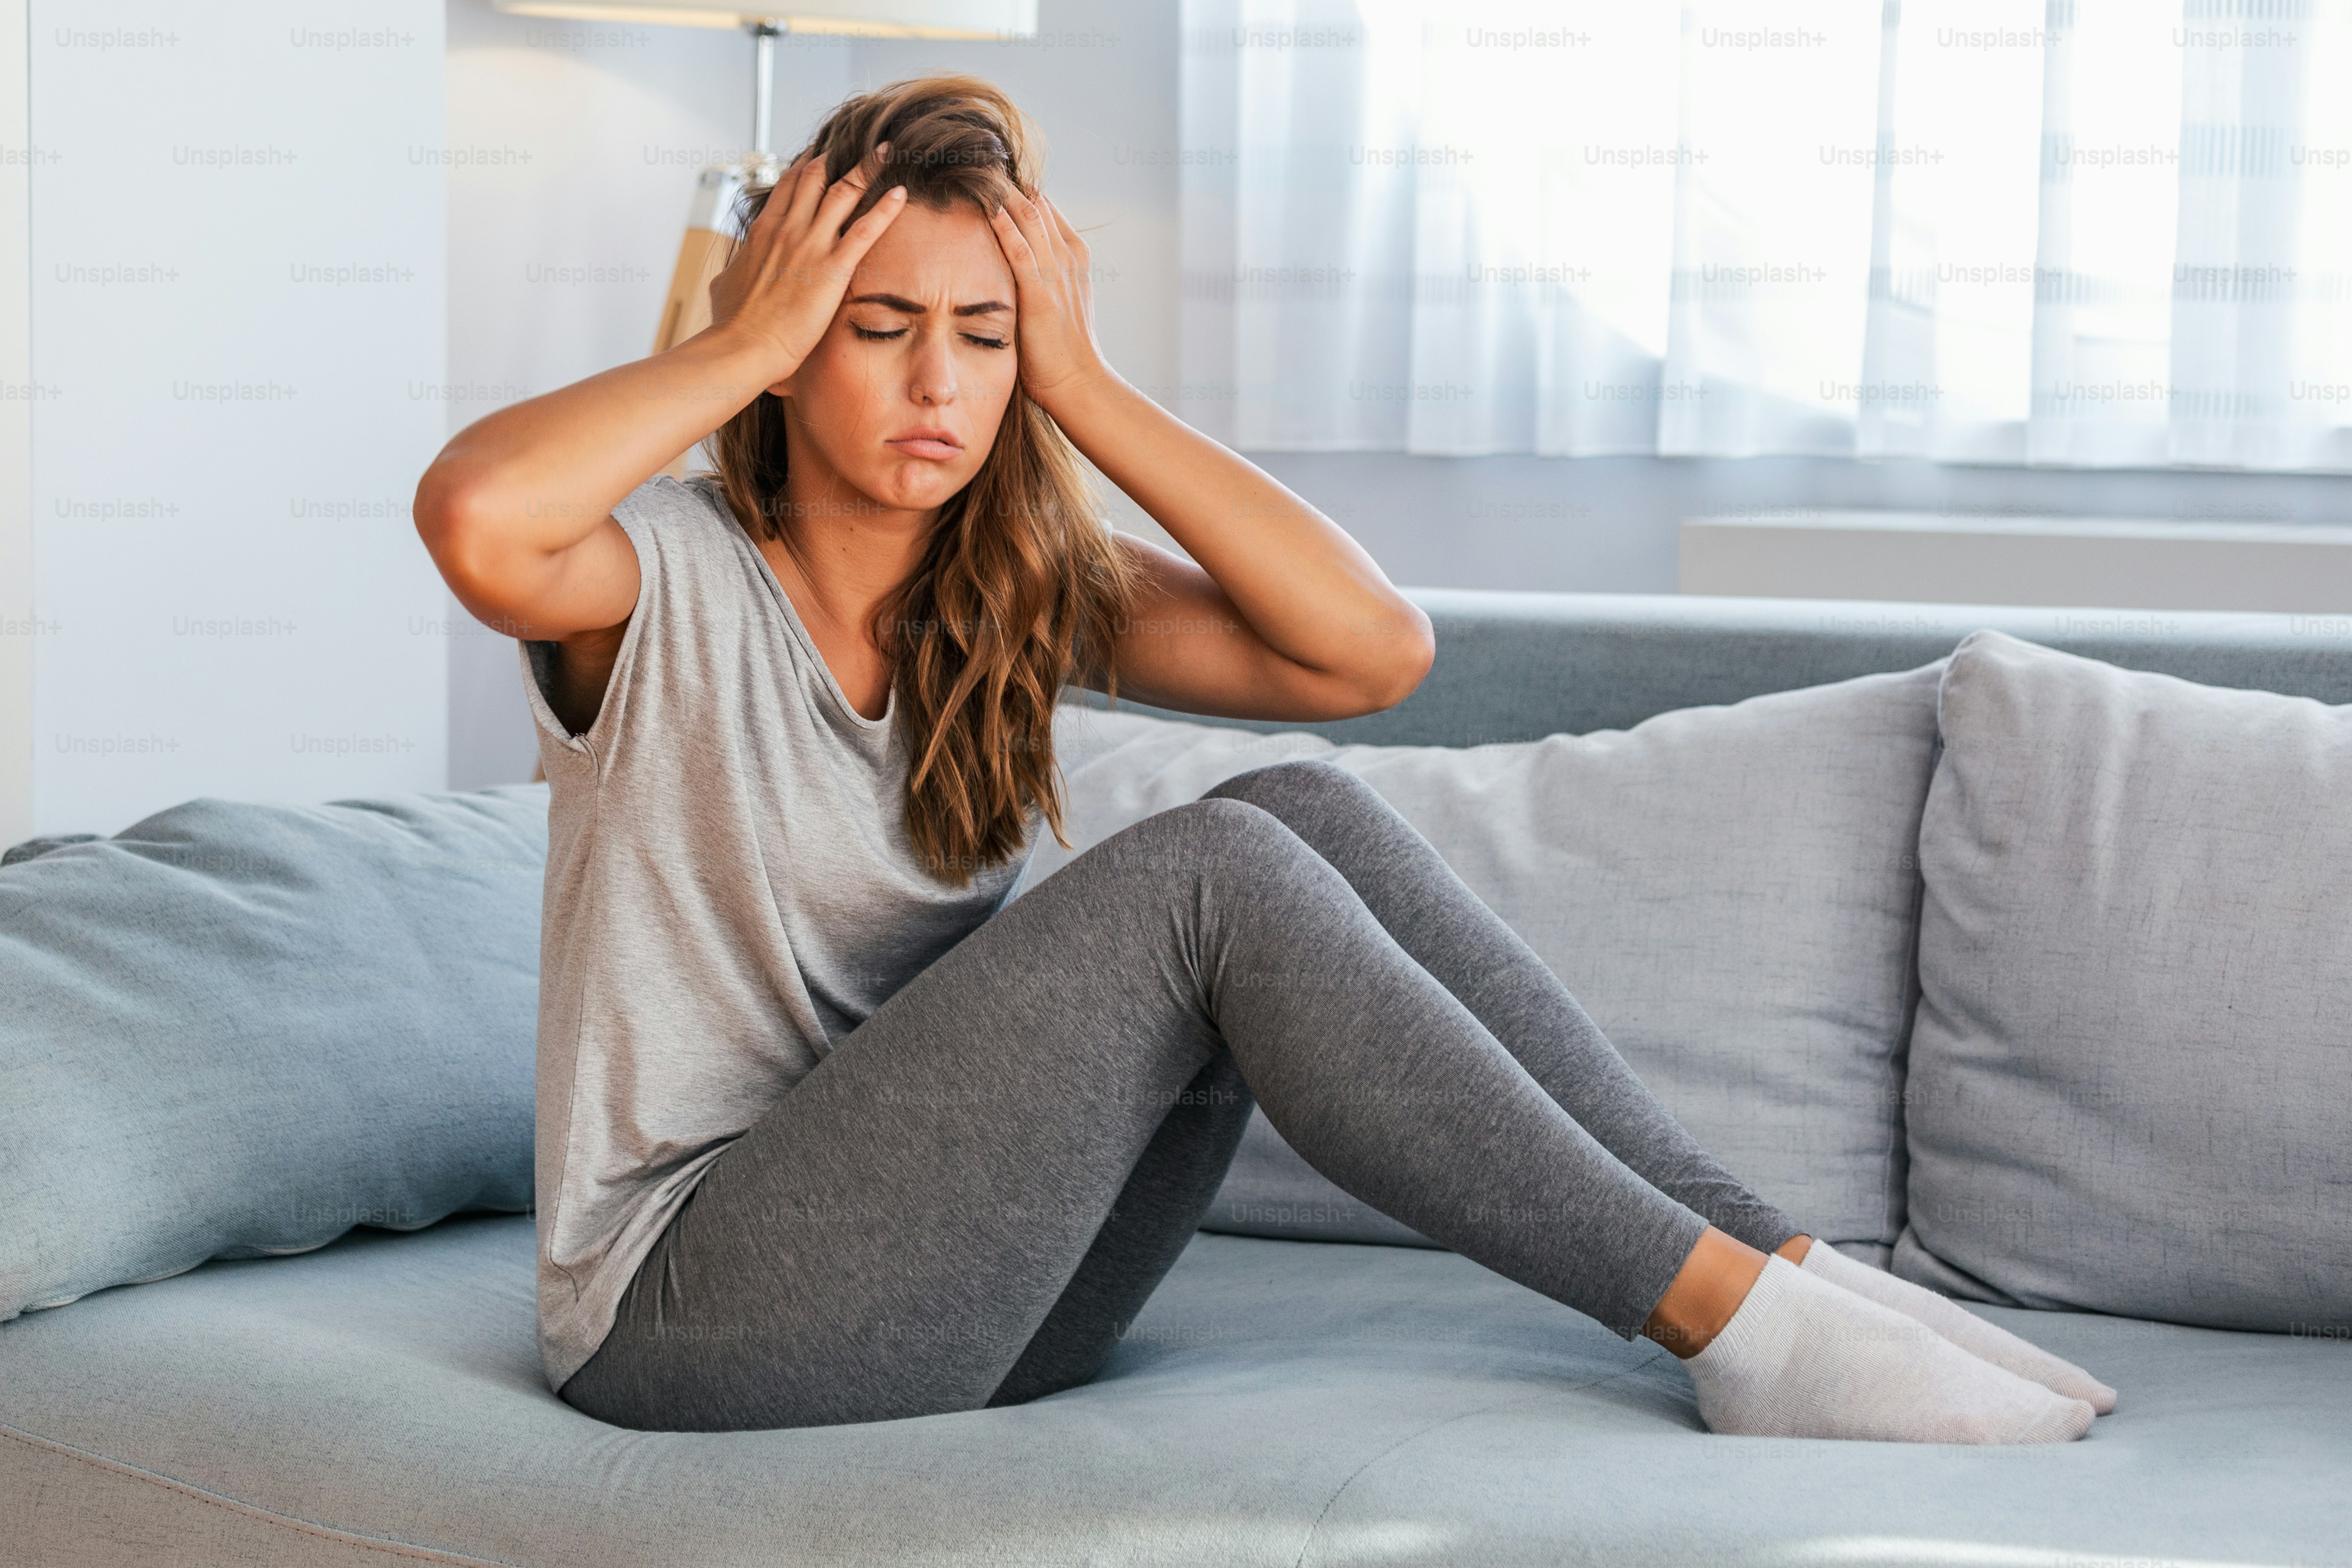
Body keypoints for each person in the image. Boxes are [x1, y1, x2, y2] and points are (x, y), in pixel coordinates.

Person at [411, 74, 2113, 1440]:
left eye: (983, 334)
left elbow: (1366, 653)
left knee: (1288, 808)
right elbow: (477, 516)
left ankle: (1790, 1272)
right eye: (875, 327)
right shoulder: (655, 580)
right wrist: (737, 338)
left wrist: (1082, 378)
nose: (938, 380)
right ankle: (1728, 1326)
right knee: (1208, 879)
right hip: (697, 1324)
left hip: (987, 1294)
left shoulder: (1011, 599)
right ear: (791, 341)